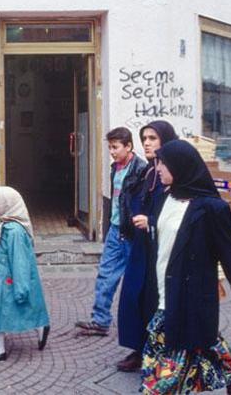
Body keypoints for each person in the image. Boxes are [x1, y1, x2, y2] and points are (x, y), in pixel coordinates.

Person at [140, 140, 231, 395]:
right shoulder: (165, 197)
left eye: (163, 163)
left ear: (180, 167)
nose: (158, 168)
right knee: (204, 340)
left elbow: (230, 254)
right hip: (162, 291)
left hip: (188, 298)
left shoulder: (211, 208)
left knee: (162, 375)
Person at [116, 120, 179, 372]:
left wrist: (151, 222)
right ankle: (138, 347)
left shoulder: (175, 173)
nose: (147, 143)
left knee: (156, 298)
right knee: (134, 294)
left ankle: (157, 351)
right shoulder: (150, 171)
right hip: (143, 245)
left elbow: (178, 214)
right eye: (144, 139)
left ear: (165, 140)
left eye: (153, 138)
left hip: (164, 247)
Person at [77, 127, 148, 336]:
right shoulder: (114, 167)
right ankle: (100, 321)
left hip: (133, 233)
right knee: (105, 275)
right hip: (115, 230)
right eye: (110, 147)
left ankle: (141, 327)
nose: (112, 151)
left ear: (128, 146)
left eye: (115, 147)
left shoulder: (141, 170)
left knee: (136, 283)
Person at [0, 186, 50, 363]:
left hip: (5, 278)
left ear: (6, 205)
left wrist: (21, 286)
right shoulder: (0, 222)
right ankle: (40, 326)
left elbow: (20, 261)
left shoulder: (14, 231)